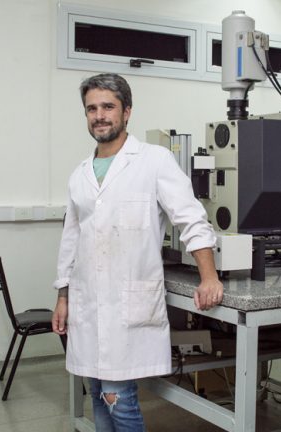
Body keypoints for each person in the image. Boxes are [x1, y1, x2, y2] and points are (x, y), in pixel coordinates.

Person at [51, 73, 224, 431]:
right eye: (92, 109)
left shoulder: (154, 160)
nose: (99, 115)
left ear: (127, 112)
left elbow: (191, 219)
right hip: (87, 303)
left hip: (127, 304)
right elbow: (71, 239)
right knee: (98, 392)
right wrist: (63, 296)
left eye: (108, 107)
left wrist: (209, 276)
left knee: (119, 400)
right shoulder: (80, 174)